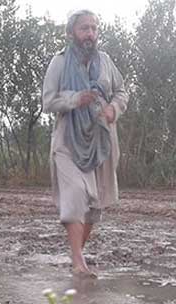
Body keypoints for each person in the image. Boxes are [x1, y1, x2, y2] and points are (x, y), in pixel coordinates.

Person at [42, 9, 129, 277]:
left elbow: (122, 92)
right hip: (68, 140)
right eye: (84, 28)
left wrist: (114, 109)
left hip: (101, 140)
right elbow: (48, 102)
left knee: (94, 205)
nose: (90, 33)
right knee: (77, 194)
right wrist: (74, 99)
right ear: (71, 33)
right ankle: (79, 261)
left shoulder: (105, 61)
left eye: (94, 28)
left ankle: (75, 254)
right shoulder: (58, 62)